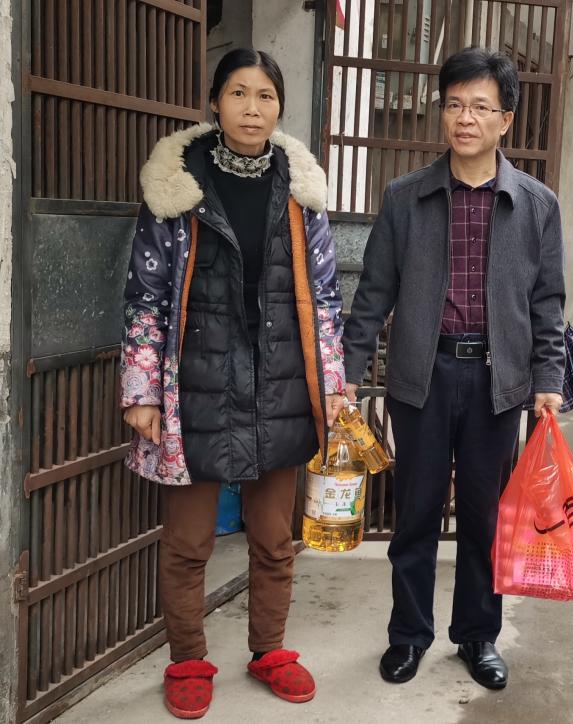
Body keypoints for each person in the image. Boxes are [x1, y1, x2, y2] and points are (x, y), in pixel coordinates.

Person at [120, 48, 345, 719]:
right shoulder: (177, 186)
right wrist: (142, 391)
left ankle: (269, 650)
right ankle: (188, 659)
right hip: (195, 384)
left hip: (281, 382)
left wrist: (333, 387)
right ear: (215, 103)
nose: (252, 108)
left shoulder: (301, 190)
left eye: (265, 96)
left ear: (280, 107)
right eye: (239, 93)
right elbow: (145, 295)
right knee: (188, 541)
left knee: (274, 537)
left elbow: (325, 298)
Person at [342, 47, 566, 690]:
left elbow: (547, 302)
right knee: (414, 513)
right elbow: (373, 293)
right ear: (442, 113)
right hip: (423, 376)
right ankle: (408, 635)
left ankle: (477, 635)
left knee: (483, 517)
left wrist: (547, 381)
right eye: (455, 105)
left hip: (498, 383)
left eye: (481, 107)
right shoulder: (405, 198)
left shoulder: (536, 204)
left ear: (506, 120)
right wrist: (348, 373)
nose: (465, 118)